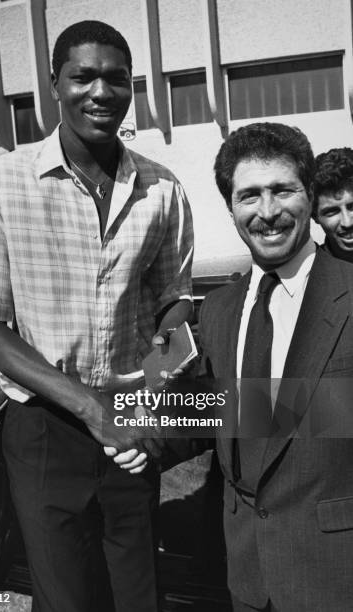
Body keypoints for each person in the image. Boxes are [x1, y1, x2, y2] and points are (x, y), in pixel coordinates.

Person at [0, 20, 193, 612]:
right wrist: (92, 410)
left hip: (129, 420)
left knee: (138, 591)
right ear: (54, 85)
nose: (101, 92)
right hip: (43, 427)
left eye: (117, 79)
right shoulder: (2, 181)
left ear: (131, 87)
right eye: (83, 76)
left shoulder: (162, 190)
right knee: (65, 596)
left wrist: (149, 394)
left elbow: (174, 306)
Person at [198, 123, 353, 611]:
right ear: (230, 208)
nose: (267, 212)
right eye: (249, 196)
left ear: (309, 195)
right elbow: (210, 412)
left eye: (282, 190)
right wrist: (122, 421)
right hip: (248, 579)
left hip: (337, 577)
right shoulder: (217, 310)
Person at [313, 147, 353, 262]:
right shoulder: (309, 275)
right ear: (315, 216)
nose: (347, 223)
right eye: (331, 212)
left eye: (352, 207)